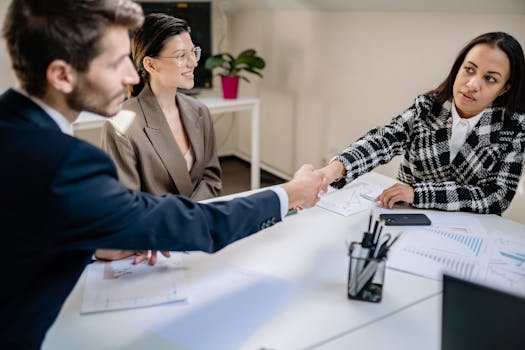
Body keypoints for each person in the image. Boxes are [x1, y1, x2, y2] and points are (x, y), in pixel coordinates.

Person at [0, 1, 323, 348]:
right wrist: (289, 193)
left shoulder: (13, 128)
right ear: (62, 75)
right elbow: (194, 224)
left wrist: (96, 246)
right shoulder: (67, 162)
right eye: (115, 63)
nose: (131, 75)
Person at [319, 32, 525, 214]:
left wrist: (418, 194)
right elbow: (384, 140)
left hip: (467, 229)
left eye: (490, 78)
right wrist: (337, 168)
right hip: (402, 213)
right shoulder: (428, 107)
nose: (472, 85)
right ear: (458, 68)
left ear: (504, 88)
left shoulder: (513, 127)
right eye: (469, 70)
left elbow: (498, 196)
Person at [97, 13, 222, 264]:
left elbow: (211, 179)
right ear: (151, 65)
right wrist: (170, 228)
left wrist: (188, 222)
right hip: (153, 248)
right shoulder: (122, 124)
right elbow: (126, 206)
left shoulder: (199, 112)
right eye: (180, 56)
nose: (193, 63)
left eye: (193, 52)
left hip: (197, 234)